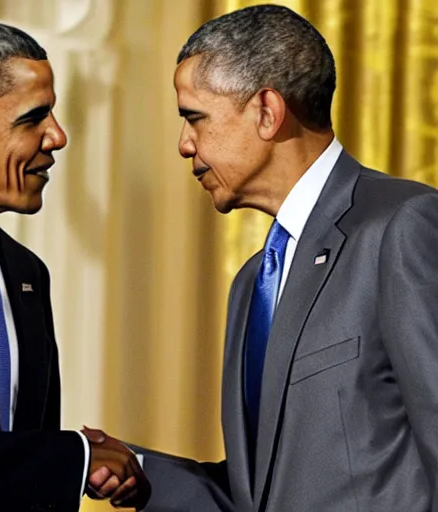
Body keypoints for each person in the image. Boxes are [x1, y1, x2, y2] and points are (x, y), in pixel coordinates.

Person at [91, 4, 438, 511]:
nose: (184, 144)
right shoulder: (254, 280)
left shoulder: (402, 226)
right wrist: (138, 473)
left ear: (267, 112)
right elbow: (260, 493)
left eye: (194, 118)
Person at [0, 20, 150, 512]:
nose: (59, 137)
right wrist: (77, 457)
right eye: (34, 119)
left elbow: (22, 443)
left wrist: (81, 464)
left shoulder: (26, 272)